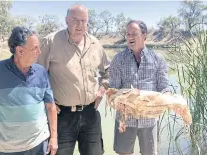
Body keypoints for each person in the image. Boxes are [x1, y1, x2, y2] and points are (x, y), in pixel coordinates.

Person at [0, 26, 58, 155]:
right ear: (20, 51)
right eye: (35, 48)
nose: (39, 52)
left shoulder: (41, 72)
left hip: (40, 145)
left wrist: (53, 138)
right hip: (8, 149)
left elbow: (50, 106)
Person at [37, 4, 110, 155]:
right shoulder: (51, 42)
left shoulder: (95, 44)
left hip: (91, 113)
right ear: (66, 20)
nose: (80, 24)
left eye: (83, 21)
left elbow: (109, 71)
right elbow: (36, 75)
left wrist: (102, 89)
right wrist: (46, 100)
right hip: (61, 116)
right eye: (75, 20)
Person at [109, 20, 172, 155]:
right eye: (128, 34)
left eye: (134, 33)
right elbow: (113, 89)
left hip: (149, 119)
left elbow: (163, 85)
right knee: (124, 153)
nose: (130, 37)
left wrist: (167, 95)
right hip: (125, 119)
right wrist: (120, 99)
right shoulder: (118, 59)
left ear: (144, 36)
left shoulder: (157, 58)